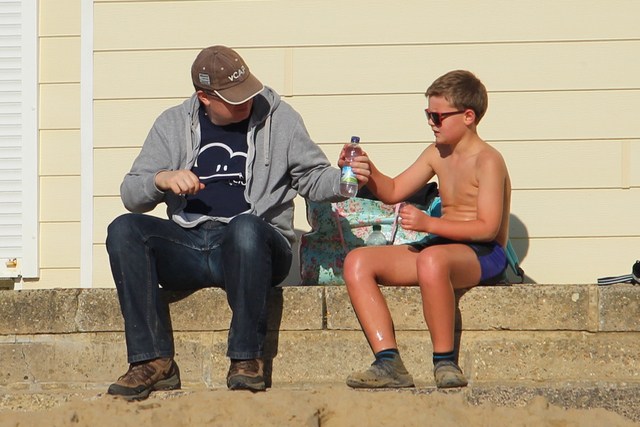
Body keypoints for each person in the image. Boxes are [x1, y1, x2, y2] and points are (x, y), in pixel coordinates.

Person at [105, 45, 369, 400]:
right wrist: (162, 179)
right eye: (233, 97)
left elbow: (312, 177)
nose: (245, 101)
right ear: (205, 97)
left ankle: (246, 359)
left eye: (248, 90)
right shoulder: (172, 123)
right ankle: (152, 361)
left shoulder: (280, 118)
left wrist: (343, 180)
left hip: (255, 243)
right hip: (189, 243)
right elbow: (131, 193)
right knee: (124, 229)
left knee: (245, 227)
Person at [343, 70, 511, 389]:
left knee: (431, 260)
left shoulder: (488, 160)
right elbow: (393, 190)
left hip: (483, 253)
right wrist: (367, 169)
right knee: (357, 262)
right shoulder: (437, 153)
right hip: (441, 247)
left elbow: (487, 229)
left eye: (438, 116)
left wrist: (428, 223)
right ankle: (388, 362)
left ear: (468, 116)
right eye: (428, 115)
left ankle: (445, 361)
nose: (432, 123)